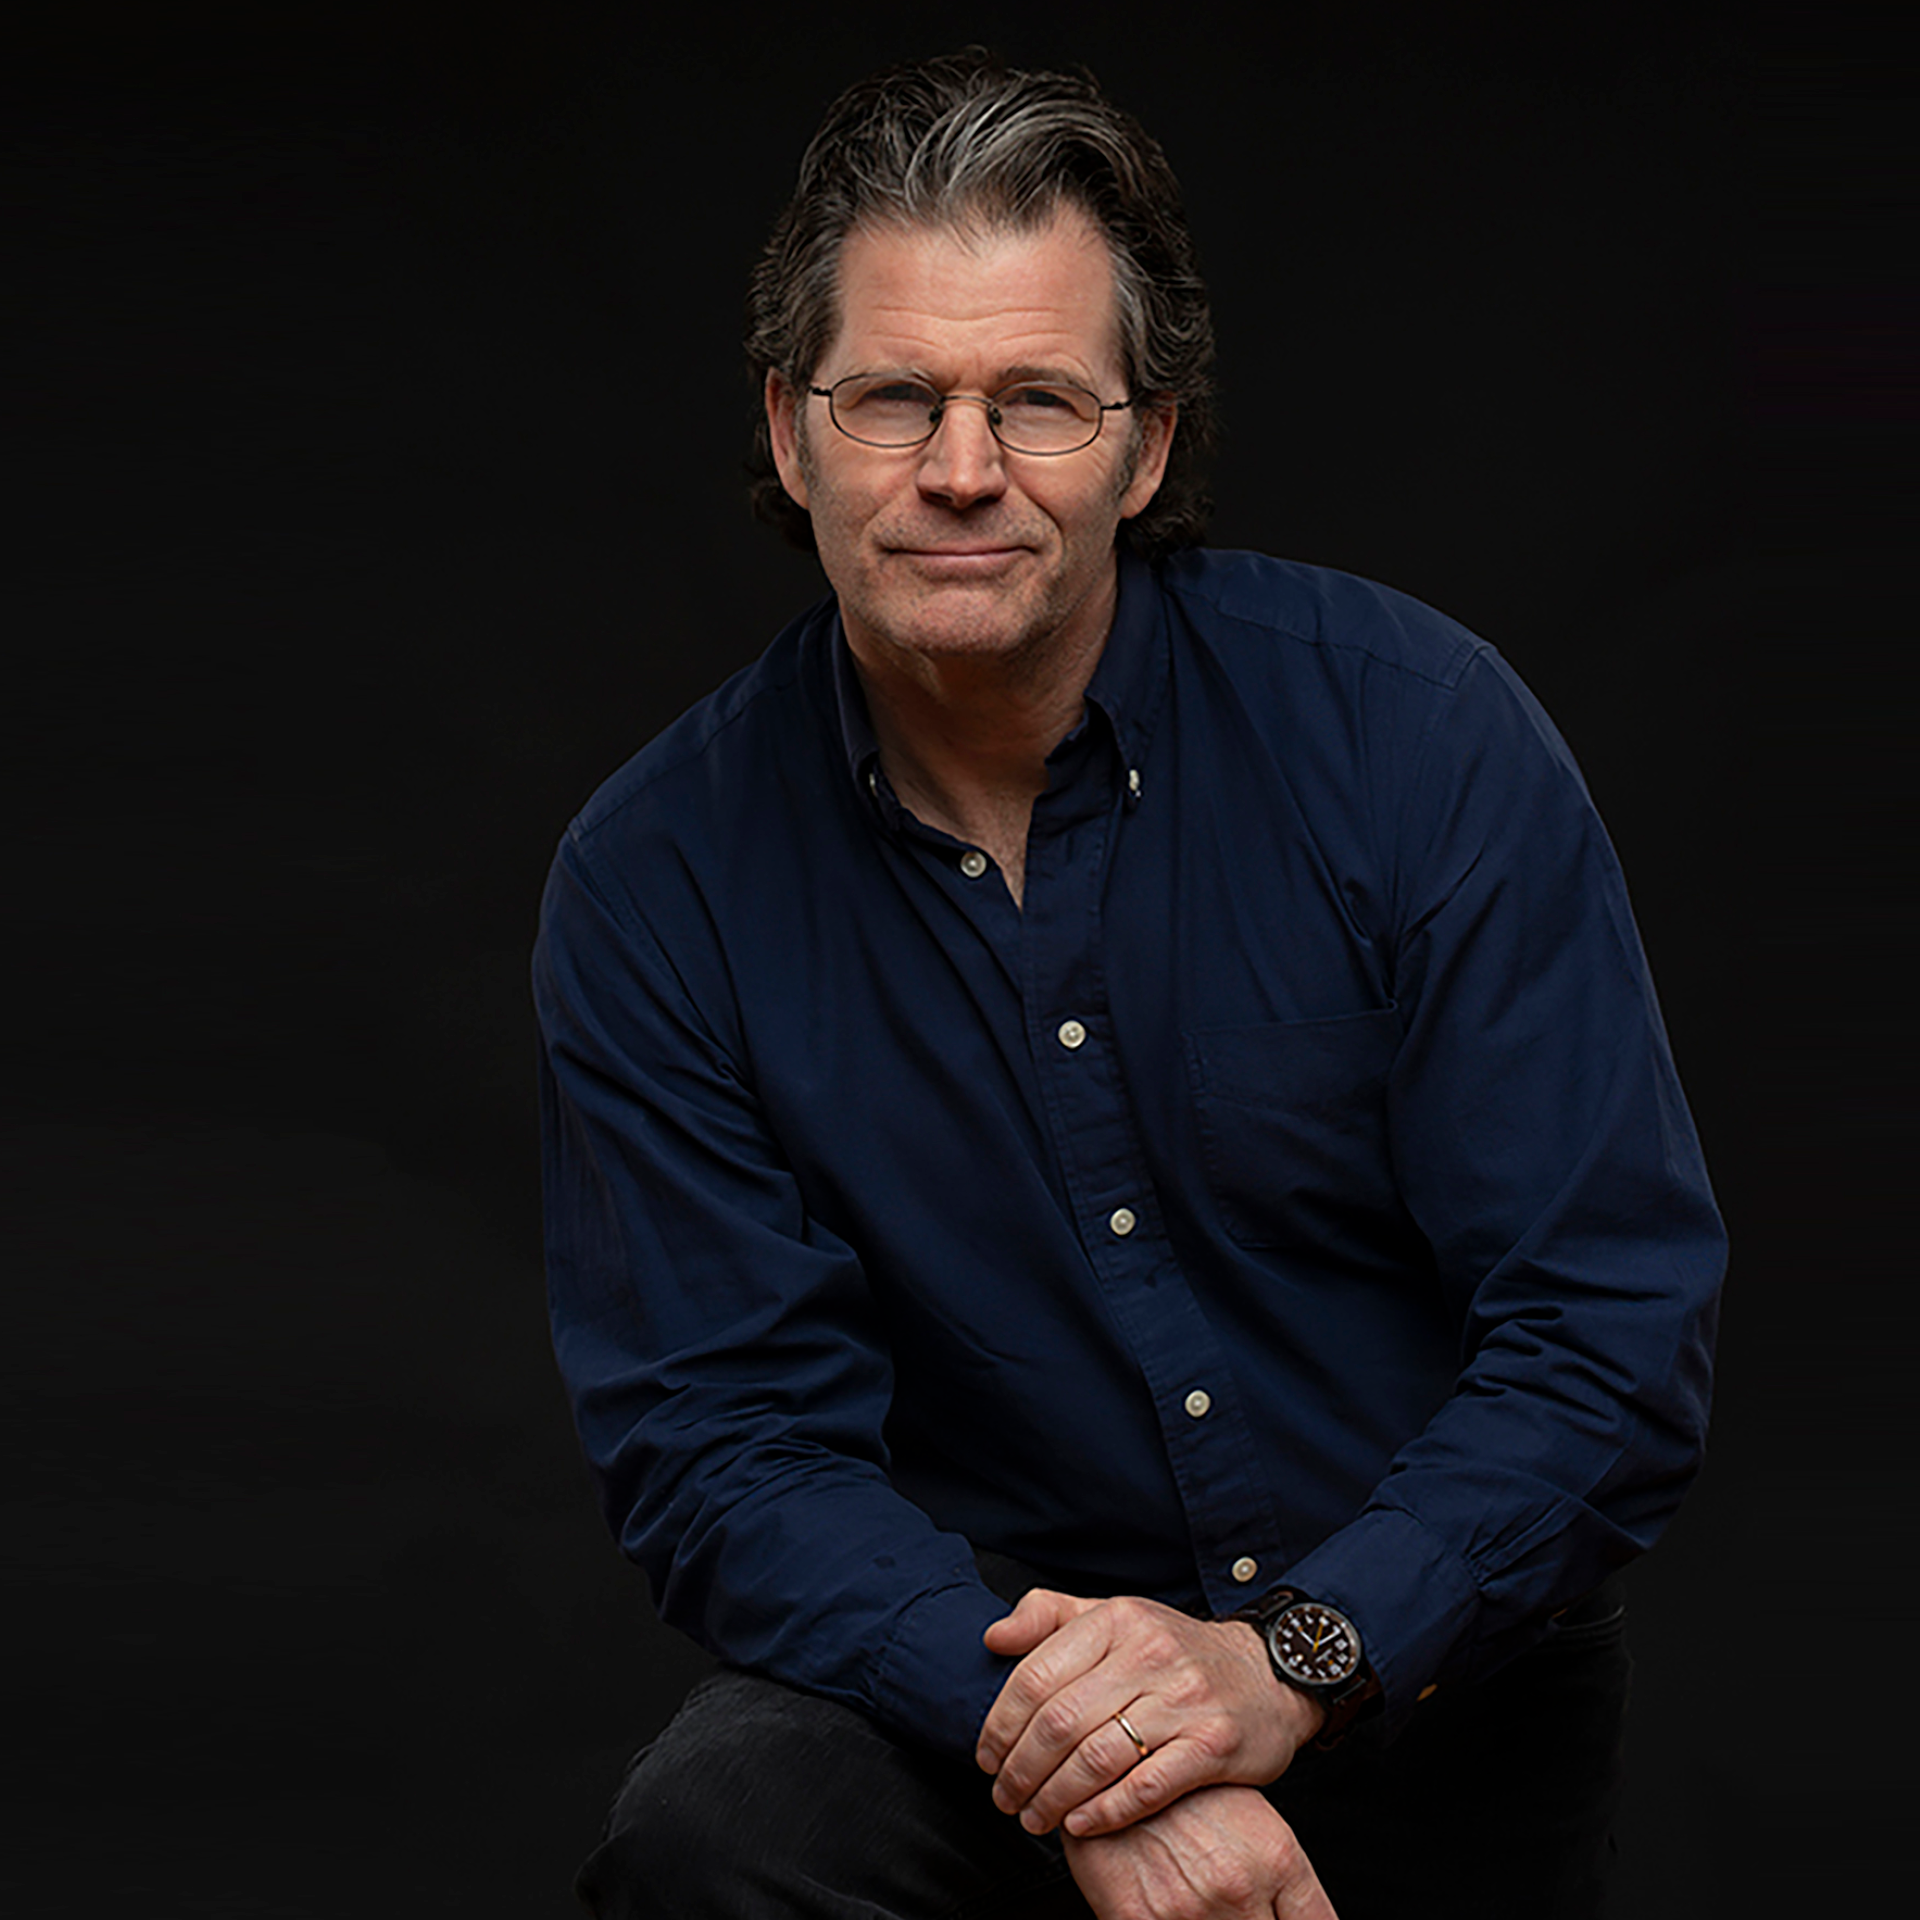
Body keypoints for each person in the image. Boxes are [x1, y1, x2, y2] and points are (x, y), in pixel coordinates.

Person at [533, 48, 1724, 1920]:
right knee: (725, 1834)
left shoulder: (1416, 737)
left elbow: (1608, 1325)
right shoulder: (652, 880)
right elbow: (724, 1450)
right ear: (788, 429)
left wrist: (1289, 1666)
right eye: (893, 397)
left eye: (1039, 402)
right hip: (975, 1699)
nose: (959, 469)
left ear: (1148, 445)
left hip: (1425, 1678)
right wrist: (1093, 1755)